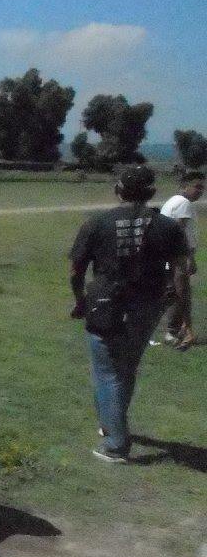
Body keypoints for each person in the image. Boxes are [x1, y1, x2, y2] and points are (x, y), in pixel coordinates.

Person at [68, 165, 192, 463]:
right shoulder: (168, 227)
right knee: (126, 369)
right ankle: (111, 423)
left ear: (118, 189)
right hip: (147, 307)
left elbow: (76, 270)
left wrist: (80, 299)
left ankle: (116, 444)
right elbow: (181, 274)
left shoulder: (96, 223)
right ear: (151, 192)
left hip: (105, 305)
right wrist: (185, 317)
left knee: (106, 372)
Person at [155, 170, 201, 347]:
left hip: (171, 255)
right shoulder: (183, 203)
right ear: (184, 187)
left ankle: (176, 330)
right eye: (196, 187)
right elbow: (179, 233)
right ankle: (178, 331)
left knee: (174, 293)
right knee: (182, 294)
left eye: (202, 188)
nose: (200, 191)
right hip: (178, 256)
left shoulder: (173, 201)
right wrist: (190, 257)